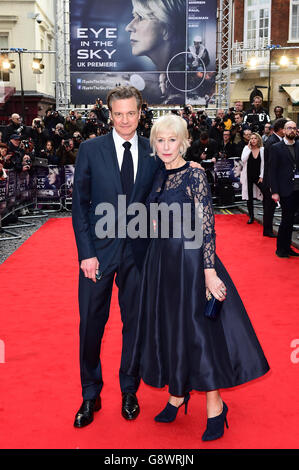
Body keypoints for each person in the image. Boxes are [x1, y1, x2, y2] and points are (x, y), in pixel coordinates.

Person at [124, 114, 269, 441]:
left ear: (184, 141)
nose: (165, 146)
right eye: (160, 140)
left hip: (190, 262)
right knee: (169, 328)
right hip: (161, 263)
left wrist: (208, 272)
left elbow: (206, 227)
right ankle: (177, 393)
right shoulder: (159, 175)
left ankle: (215, 405)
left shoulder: (194, 175)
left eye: (171, 140)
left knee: (198, 333)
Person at [125, 0, 186, 103]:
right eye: (133, 17)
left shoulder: (181, 86)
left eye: (141, 17)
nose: (129, 27)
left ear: (167, 30)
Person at [270, 121, 299, 258]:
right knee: (286, 219)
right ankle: (280, 249)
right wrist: (274, 191)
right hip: (285, 189)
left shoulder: (298, 145)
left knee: (292, 220)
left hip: (297, 189)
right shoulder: (276, 147)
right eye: (289, 128)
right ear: (284, 131)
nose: (292, 130)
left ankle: (288, 248)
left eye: (294, 128)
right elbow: (272, 171)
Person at [262, 118, 288, 237]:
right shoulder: (272, 142)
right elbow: (271, 165)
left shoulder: (275, 140)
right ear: (281, 129)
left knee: (270, 206)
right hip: (271, 179)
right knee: (269, 206)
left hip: (273, 178)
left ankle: (268, 229)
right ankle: (267, 230)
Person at [240, 132, 265, 224]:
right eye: (251, 138)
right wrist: (249, 149)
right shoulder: (246, 148)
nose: (253, 140)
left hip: (258, 177)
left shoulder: (262, 149)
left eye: (255, 138)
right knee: (249, 197)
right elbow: (243, 160)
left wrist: (261, 176)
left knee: (265, 193)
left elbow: (263, 165)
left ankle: (266, 214)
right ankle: (251, 216)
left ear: (258, 139)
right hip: (248, 176)